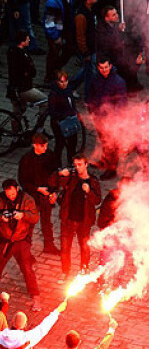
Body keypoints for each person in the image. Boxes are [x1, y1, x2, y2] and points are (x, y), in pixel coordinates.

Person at [50, 154, 101, 283]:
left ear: (86, 164)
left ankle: (83, 271)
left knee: (84, 247)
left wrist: (89, 192)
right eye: (75, 165)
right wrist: (59, 174)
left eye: (80, 165)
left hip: (84, 222)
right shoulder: (71, 178)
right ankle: (65, 272)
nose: (77, 168)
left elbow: (97, 200)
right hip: (68, 220)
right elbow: (52, 182)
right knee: (65, 247)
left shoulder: (93, 181)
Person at [0, 179, 41, 312]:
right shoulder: (1, 199)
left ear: (17, 188)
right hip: (5, 239)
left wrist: (23, 215)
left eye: (12, 193)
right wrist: (1, 217)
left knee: (27, 269)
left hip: (21, 240)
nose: (10, 196)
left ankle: (36, 297)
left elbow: (35, 217)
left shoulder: (27, 199)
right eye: (8, 194)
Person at [17, 133, 59, 254]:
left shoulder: (49, 155)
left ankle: (49, 246)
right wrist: (37, 189)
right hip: (32, 197)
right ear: (35, 145)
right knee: (29, 225)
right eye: (42, 146)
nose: (45, 149)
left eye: (46, 146)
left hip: (46, 195)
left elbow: (55, 174)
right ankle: (26, 252)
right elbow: (23, 181)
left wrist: (54, 192)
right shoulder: (26, 159)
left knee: (46, 222)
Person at [48, 70, 82, 166]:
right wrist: (66, 114)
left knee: (72, 144)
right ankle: (57, 165)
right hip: (59, 123)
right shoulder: (54, 94)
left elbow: (72, 104)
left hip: (70, 121)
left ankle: (71, 163)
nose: (64, 84)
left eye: (66, 81)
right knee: (60, 144)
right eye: (61, 82)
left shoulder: (68, 90)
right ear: (57, 82)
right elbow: (52, 111)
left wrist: (74, 112)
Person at [0, 300, 67, 348]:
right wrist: (57, 311)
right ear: (25, 325)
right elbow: (43, 328)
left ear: (12, 322)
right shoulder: (26, 339)